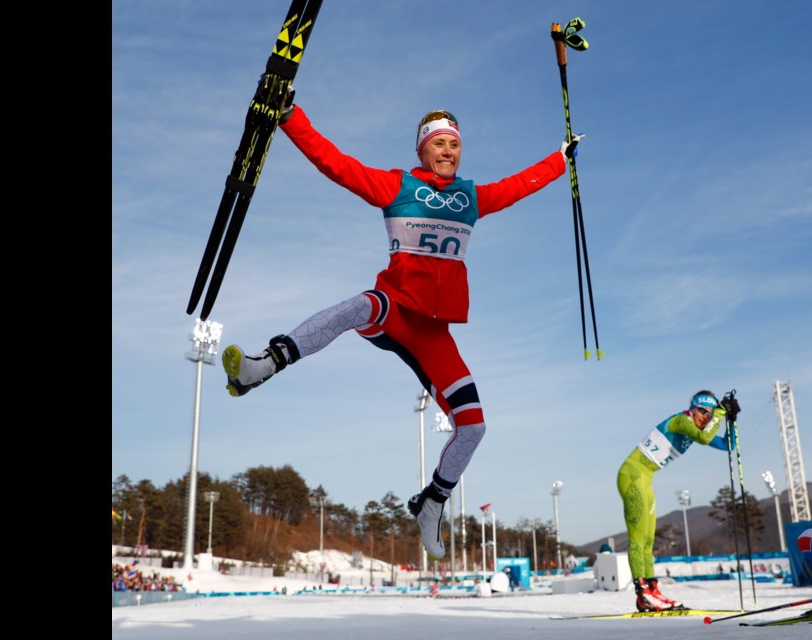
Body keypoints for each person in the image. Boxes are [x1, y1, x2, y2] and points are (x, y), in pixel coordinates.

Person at [221, 84, 581, 561]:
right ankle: (263, 365)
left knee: (473, 425)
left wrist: (560, 159)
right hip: (394, 306)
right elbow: (337, 164)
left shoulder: (472, 198)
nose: (448, 151)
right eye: (439, 143)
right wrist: (290, 116)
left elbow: (518, 186)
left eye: (454, 143)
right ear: (422, 149)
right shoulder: (398, 187)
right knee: (356, 307)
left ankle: (432, 502)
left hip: (434, 334)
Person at [616, 390, 738, 612]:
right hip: (633, 474)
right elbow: (704, 438)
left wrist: (730, 420)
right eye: (703, 412)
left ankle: (652, 592)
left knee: (647, 542)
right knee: (638, 538)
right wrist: (720, 412)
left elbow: (727, 445)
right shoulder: (682, 420)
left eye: (709, 416)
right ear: (693, 408)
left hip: (645, 477)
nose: (706, 418)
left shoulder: (695, 429)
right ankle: (643, 594)